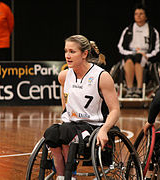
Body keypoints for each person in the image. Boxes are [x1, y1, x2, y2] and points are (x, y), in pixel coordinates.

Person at [43, 35, 120, 179]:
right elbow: (66, 104)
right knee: (51, 134)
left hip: (93, 126)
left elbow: (115, 110)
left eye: (72, 52)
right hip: (72, 125)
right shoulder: (64, 76)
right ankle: (61, 176)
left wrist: (104, 130)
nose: (67, 56)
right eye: (66, 51)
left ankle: (69, 176)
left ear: (84, 54)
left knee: (67, 133)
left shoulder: (102, 76)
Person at [117, 4, 160, 98]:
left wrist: (147, 55)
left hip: (145, 56)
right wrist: (132, 52)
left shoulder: (152, 31)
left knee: (138, 58)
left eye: (141, 14)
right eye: (136, 14)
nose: (138, 16)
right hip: (130, 53)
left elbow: (157, 49)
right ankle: (130, 89)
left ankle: (139, 89)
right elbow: (120, 47)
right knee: (128, 59)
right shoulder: (128, 29)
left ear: (146, 16)